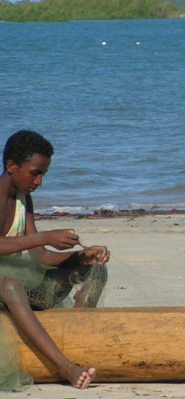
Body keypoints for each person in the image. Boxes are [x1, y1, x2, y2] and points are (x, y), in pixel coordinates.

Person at [0, 130, 110, 389]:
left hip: (12, 275)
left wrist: (80, 256)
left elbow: (40, 255)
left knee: (94, 269)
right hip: (7, 283)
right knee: (11, 286)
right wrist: (45, 236)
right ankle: (66, 368)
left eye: (43, 175)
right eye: (35, 173)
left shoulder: (23, 199)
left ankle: (77, 336)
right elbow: (36, 243)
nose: (39, 182)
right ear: (11, 166)